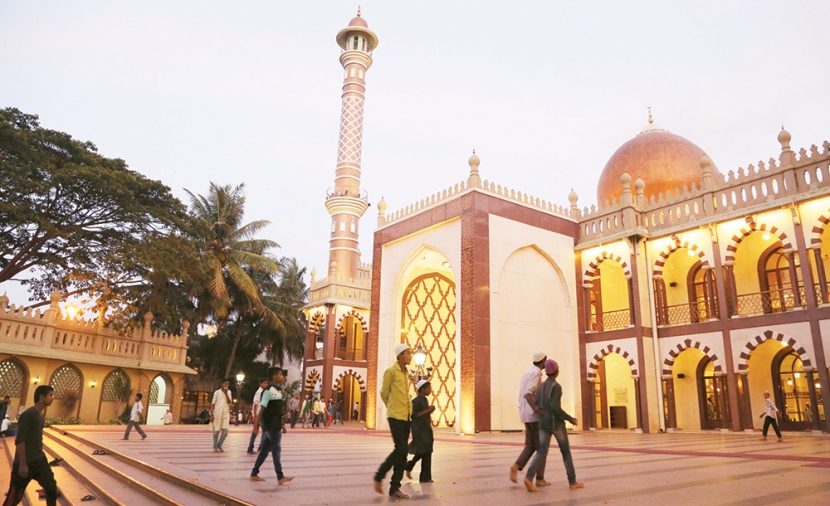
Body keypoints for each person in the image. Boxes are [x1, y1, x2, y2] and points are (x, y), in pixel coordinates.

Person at [524, 359, 583, 492]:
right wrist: (569, 418)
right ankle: (572, 481)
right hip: (555, 423)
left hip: (542, 423)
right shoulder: (556, 387)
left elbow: (538, 403)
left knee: (541, 450)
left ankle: (529, 477)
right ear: (557, 371)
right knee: (565, 451)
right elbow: (555, 407)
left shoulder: (540, 386)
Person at [3, 385, 57, 506]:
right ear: (41, 397)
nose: (52, 398)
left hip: (39, 460)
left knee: (51, 487)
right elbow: (21, 440)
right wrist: (23, 465)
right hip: (25, 462)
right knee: (14, 497)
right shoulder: (28, 415)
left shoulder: (40, 415)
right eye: (50, 395)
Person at [373, 343, 413, 499]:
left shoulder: (406, 373)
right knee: (401, 449)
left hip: (406, 416)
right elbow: (384, 392)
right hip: (395, 416)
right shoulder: (391, 371)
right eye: (407, 353)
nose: (410, 356)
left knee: (402, 453)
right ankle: (379, 475)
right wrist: (391, 406)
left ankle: (395, 488)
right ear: (399, 356)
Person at [250, 367, 294, 485]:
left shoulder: (278, 390)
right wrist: (255, 426)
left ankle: (254, 473)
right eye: (280, 374)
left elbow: (277, 410)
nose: (282, 377)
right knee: (276, 449)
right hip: (270, 425)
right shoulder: (268, 390)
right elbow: (262, 409)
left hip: (276, 424)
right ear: (274, 376)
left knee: (265, 450)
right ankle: (280, 476)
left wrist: (282, 424)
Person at [510, 351, 548, 486]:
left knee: (531, 445)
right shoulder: (536, 374)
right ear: (543, 361)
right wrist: (536, 408)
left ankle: (516, 466)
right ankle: (539, 478)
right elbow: (527, 393)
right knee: (541, 447)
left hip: (525, 413)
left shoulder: (527, 373)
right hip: (533, 415)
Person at [405, 380, 435, 483]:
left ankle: (425, 477)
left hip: (426, 428)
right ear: (422, 389)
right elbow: (414, 415)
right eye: (428, 388)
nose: (430, 390)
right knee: (423, 450)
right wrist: (428, 410)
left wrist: (429, 411)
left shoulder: (425, 400)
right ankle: (410, 466)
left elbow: (424, 414)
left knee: (427, 451)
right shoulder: (415, 401)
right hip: (419, 429)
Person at [247, 379, 268, 454]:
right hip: (259, 414)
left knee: (255, 431)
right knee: (264, 431)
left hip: (260, 414)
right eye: (264, 383)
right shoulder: (259, 392)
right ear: (260, 384)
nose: (266, 385)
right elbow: (255, 404)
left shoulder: (263, 392)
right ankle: (260, 448)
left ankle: (251, 447)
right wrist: (255, 415)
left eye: (267, 383)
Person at [211, 379, 232, 452]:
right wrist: (211, 414)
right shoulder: (217, 392)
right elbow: (213, 403)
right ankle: (215, 447)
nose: (226, 385)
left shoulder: (229, 392)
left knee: (225, 431)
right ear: (221, 384)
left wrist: (226, 394)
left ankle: (220, 444)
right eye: (225, 384)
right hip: (217, 413)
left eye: (228, 384)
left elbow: (229, 402)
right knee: (216, 431)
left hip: (225, 413)